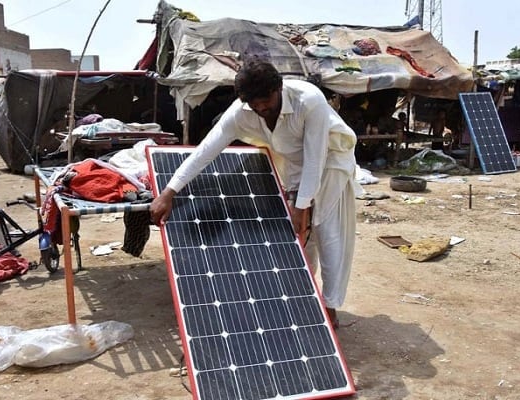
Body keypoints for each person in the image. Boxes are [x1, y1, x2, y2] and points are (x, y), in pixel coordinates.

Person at [149, 60, 361, 329]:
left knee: (328, 232)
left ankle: (330, 308)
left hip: (331, 162)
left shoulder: (309, 100)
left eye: (267, 103)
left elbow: (316, 158)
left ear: (279, 89)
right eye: (255, 106)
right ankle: (307, 296)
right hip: (293, 168)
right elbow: (206, 150)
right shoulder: (241, 112)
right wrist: (170, 191)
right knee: (303, 240)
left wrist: (301, 206)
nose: (261, 110)